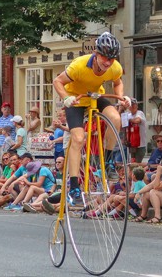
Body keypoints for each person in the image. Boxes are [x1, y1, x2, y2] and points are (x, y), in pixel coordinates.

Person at [52, 32, 130, 205]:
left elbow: (117, 82)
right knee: (78, 139)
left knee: (115, 119)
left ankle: (108, 162)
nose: (108, 62)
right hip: (76, 100)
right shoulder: (79, 66)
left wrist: (121, 97)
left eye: (111, 58)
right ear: (96, 53)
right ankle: (74, 187)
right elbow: (57, 81)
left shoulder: (114, 67)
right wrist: (66, 98)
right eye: (104, 57)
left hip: (95, 97)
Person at [126, 98, 147, 163]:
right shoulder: (128, 115)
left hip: (140, 146)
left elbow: (137, 121)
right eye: (131, 105)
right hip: (131, 145)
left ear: (137, 106)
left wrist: (127, 120)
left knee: (137, 164)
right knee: (132, 163)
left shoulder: (140, 113)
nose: (133, 106)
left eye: (134, 104)